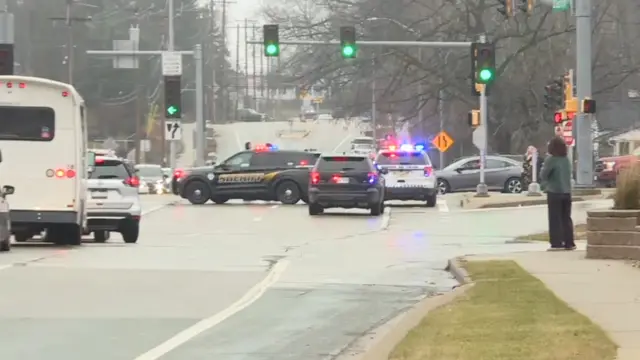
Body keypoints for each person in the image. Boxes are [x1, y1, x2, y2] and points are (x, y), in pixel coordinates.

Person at [540, 136, 575, 251]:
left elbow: (544, 175)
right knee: (566, 218)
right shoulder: (566, 160)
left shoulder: (551, 160)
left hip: (554, 191)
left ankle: (557, 242)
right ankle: (569, 242)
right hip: (567, 191)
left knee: (555, 218)